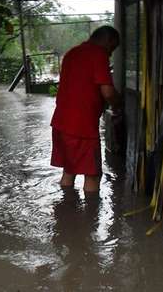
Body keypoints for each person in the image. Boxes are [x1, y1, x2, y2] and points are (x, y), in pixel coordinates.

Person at [50, 26, 121, 198]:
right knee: (93, 175)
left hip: (60, 123)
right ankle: (89, 219)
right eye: (112, 49)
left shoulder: (72, 53)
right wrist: (119, 105)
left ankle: (66, 212)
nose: (110, 54)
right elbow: (108, 92)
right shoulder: (98, 55)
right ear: (108, 41)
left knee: (69, 170)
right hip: (81, 126)